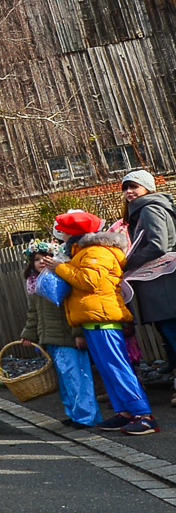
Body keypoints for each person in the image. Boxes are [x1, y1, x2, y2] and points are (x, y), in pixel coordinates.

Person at [45, 210, 157, 436]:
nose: (61, 237)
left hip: (102, 319)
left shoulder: (96, 251)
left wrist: (60, 268)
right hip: (95, 319)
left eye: (63, 232)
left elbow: (90, 281)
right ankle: (125, 412)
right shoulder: (85, 251)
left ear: (74, 234)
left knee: (117, 367)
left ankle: (144, 415)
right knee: (108, 370)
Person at [18, 240, 95, 427]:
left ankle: (86, 416)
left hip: (67, 335)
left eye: (46, 258)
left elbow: (75, 306)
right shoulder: (34, 285)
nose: (41, 262)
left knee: (77, 376)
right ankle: (74, 413)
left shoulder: (61, 280)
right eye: (36, 259)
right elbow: (34, 313)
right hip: (50, 337)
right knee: (64, 379)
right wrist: (29, 334)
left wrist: (78, 332)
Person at [118, 170, 176, 398]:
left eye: (135, 186)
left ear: (147, 188)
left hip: (162, 280)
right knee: (167, 329)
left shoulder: (150, 208)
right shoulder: (145, 209)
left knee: (171, 328)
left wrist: (126, 263)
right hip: (159, 279)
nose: (129, 192)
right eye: (126, 187)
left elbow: (157, 245)